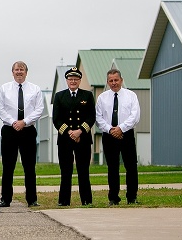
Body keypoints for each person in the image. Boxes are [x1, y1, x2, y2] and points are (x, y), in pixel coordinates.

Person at [0, 61, 44, 207]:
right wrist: (13, 122)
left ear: (26, 72)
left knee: (29, 167)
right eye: (16, 70)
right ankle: (5, 199)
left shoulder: (35, 89)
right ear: (12, 72)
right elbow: (0, 108)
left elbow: (39, 109)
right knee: (8, 166)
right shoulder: (4, 89)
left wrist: (24, 122)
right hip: (9, 130)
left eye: (22, 69)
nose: (19, 72)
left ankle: (32, 199)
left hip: (28, 130)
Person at [95, 68, 141, 205]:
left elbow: (135, 116)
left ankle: (132, 197)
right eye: (111, 80)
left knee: (131, 166)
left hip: (127, 134)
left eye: (116, 80)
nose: (114, 83)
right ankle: (113, 198)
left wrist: (121, 128)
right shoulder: (102, 98)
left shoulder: (131, 96)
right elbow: (98, 118)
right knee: (112, 168)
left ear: (121, 80)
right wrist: (111, 130)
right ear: (107, 82)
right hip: (109, 135)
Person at [52, 67, 95, 206]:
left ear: (80, 80)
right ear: (66, 80)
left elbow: (91, 117)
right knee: (66, 172)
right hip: (65, 139)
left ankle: (86, 200)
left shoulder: (87, 95)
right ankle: (64, 201)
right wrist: (70, 132)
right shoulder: (59, 96)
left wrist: (80, 131)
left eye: (76, 79)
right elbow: (56, 119)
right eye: (70, 79)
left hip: (83, 139)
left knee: (83, 171)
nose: (73, 81)